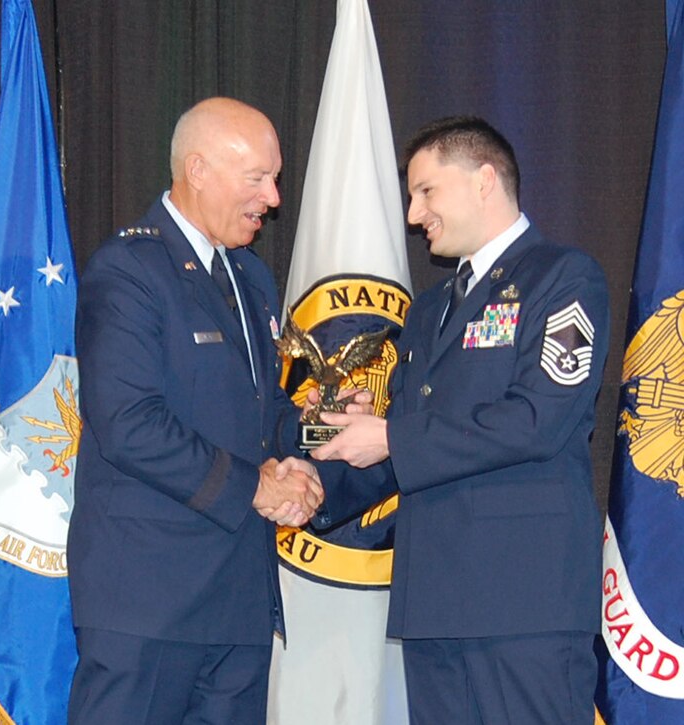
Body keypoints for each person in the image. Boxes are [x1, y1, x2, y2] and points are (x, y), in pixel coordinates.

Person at [310, 116, 609, 724]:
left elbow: (537, 420)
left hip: (522, 602)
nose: (415, 215)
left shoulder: (562, 277)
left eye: (426, 192)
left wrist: (391, 434)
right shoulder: (428, 312)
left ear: (484, 181)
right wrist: (315, 480)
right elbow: (408, 453)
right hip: (435, 601)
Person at [66, 97, 323, 725]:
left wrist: (321, 438)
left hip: (237, 597)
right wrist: (256, 487)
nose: (274, 198)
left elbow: (262, 417)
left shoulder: (252, 278)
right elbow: (128, 423)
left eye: (276, 178)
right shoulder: (128, 270)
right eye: (258, 177)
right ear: (198, 169)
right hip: (149, 602)